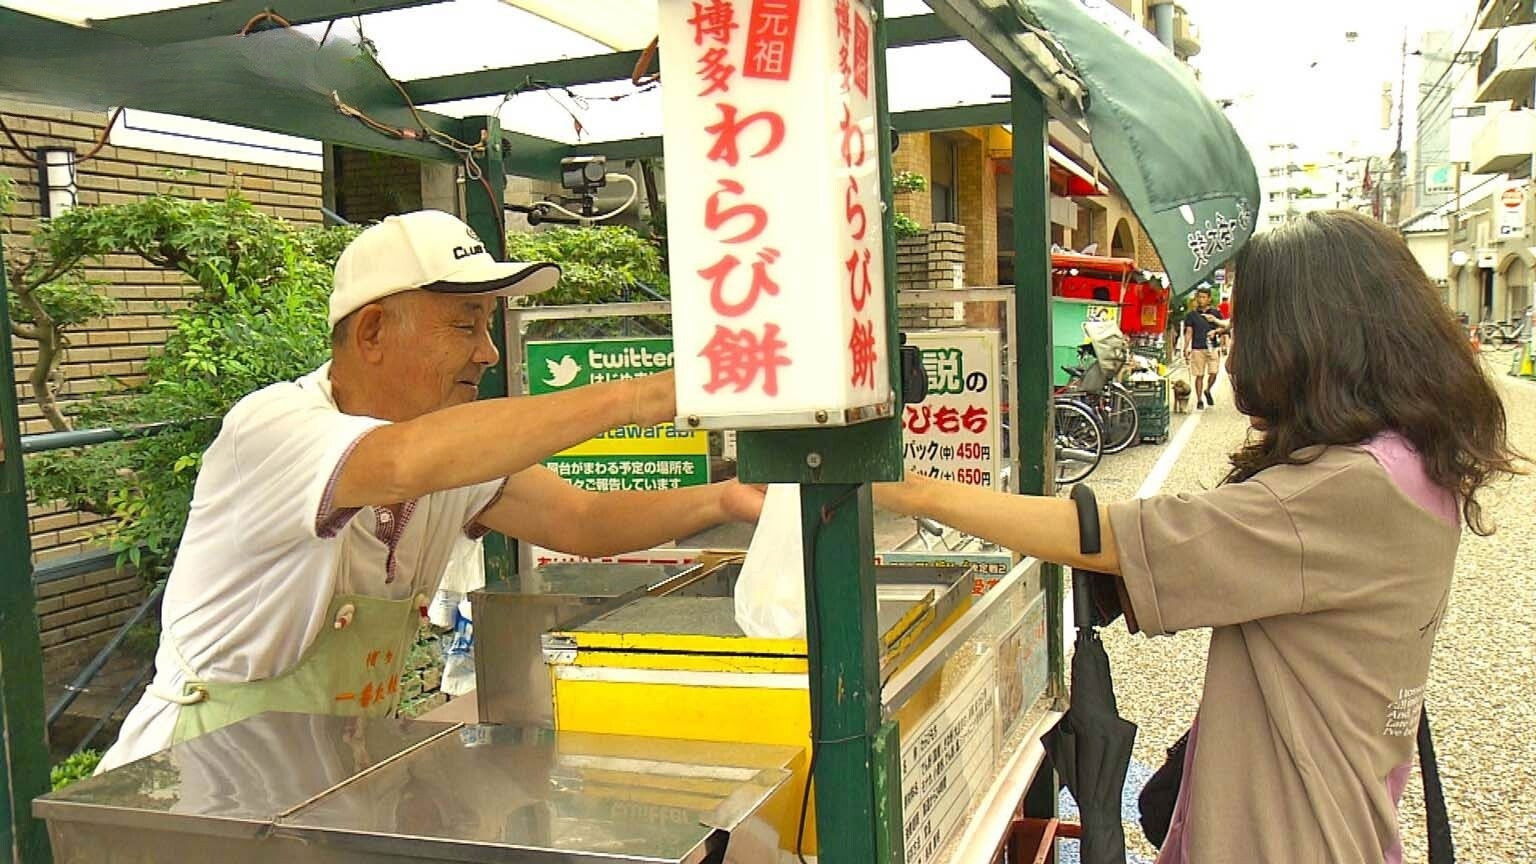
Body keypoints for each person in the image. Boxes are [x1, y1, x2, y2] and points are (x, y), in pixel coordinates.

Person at [877, 210, 1522, 863]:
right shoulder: (1410, 462)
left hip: (1289, 838)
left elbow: (1124, 536)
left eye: (1250, 325)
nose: (1239, 346)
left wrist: (916, 491)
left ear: (1307, 337)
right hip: (1344, 819)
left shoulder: (1351, 489)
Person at [100, 210, 765, 771]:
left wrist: (721, 500)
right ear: (371, 333)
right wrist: (642, 395)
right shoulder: (275, 429)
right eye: (463, 324)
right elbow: (401, 463)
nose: (489, 353)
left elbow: (582, 519)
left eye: (485, 325)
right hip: (193, 784)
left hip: (322, 785)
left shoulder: (443, 458)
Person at [1181, 286, 1227, 408]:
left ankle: (1208, 389)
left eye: (1204, 297)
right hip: (1197, 347)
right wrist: (1186, 347)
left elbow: (1223, 327)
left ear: (1209, 299)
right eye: (1199, 297)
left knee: (1214, 372)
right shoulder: (1191, 315)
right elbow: (1189, 332)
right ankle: (1199, 399)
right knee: (1199, 375)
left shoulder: (1215, 313)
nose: (1201, 300)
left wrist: (1220, 338)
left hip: (1212, 346)